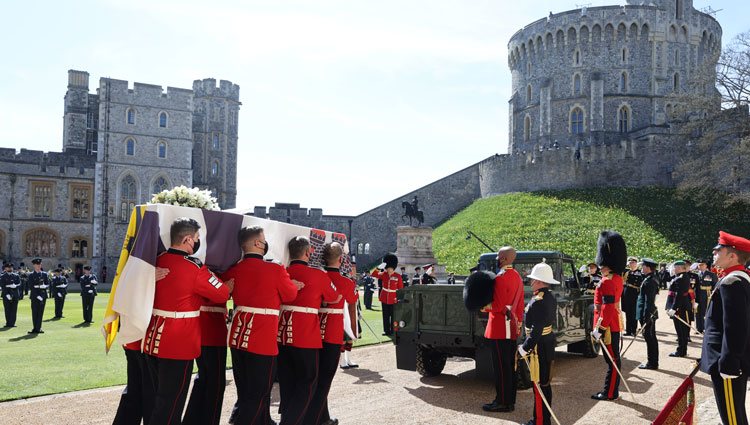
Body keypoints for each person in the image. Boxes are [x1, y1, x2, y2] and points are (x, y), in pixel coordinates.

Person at [142, 217, 232, 425]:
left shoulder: (157, 260)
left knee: (157, 401)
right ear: (188, 240)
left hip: (153, 339)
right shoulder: (193, 267)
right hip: (178, 343)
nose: (197, 243)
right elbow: (222, 294)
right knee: (171, 404)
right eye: (197, 239)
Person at [221, 226, 299, 425]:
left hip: (237, 336)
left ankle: (264, 421)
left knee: (245, 389)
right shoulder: (275, 269)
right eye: (263, 240)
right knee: (258, 392)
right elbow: (290, 295)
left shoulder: (234, 269)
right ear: (257, 243)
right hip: (261, 338)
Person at [278, 236, 340, 425]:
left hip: (281, 334)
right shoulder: (318, 275)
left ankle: (288, 418)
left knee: (287, 382)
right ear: (307, 253)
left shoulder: (283, 271)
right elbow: (334, 298)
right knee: (308, 382)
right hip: (305, 335)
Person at [700, 231, 750, 425]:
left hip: (727, 362)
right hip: (725, 358)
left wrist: (729, 362)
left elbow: (735, 327)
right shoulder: (735, 279)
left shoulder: (732, 282)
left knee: (732, 419)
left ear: (733, 255)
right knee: (734, 415)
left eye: (718, 249)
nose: (714, 253)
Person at [305, 242, 358, 425]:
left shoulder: (317, 275)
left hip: (312, 331)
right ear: (341, 259)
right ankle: (315, 420)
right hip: (332, 334)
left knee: (315, 378)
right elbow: (352, 299)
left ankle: (323, 416)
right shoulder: (344, 281)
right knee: (324, 380)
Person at [113, 268, 169, 425]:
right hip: (140, 337)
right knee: (147, 391)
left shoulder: (135, 267)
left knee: (136, 389)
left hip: (134, 335)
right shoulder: (141, 268)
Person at [482, 246, 525, 413]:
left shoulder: (500, 278)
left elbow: (498, 306)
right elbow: (520, 304)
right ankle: (509, 400)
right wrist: (518, 324)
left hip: (500, 328)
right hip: (512, 327)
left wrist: (483, 307)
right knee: (509, 368)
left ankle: (502, 402)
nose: (497, 258)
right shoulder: (517, 276)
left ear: (505, 259)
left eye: (499, 256)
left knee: (500, 368)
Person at [517, 262, 559, 425]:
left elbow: (536, 330)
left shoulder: (538, 301)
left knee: (539, 385)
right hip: (546, 343)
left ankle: (540, 421)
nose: (531, 282)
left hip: (538, 346)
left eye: (533, 279)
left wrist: (525, 347)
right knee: (545, 383)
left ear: (540, 282)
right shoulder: (548, 297)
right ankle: (544, 418)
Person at [591, 230, 626, 401]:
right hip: (612, 324)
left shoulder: (607, 281)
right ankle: (611, 390)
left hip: (607, 326)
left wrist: (600, 327)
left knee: (612, 361)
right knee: (613, 360)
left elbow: (608, 307)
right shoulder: (616, 278)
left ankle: (610, 392)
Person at [635, 258, 659, 370]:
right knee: (650, 337)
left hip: (648, 313)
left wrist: (646, 317)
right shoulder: (649, 279)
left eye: (643, 266)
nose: (641, 268)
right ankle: (653, 361)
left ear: (648, 267)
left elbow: (648, 301)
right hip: (647, 313)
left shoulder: (650, 281)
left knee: (650, 338)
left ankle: (652, 362)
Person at [371, 253, 403, 336]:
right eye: (388, 268)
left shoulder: (398, 276)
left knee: (393, 316)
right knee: (385, 316)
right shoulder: (383, 275)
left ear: (393, 267)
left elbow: (400, 289)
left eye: (390, 268)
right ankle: (386, 331)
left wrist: (398, 298)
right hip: (384, 298)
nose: (389, 270)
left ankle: (393, 330)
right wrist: (379, 267)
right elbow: (373, 274)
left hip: (393, 298)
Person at [665, 260, 692, 357]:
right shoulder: (679, 277)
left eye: (675, 267)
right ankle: (681, 350)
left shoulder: (682, 278)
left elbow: (679, 295)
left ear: (680, 268)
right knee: (680, 331)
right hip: (679, 307)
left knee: (682, 331)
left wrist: (674, 308)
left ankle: (681, 351)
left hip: (681, 308)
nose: (673, 269)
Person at [27, 258, 49, 334]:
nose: (39, 266)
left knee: (40, 312)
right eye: (37, 264)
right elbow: (31, 286)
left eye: (40, 264)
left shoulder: (45, 274)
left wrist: (45, 286)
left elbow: (48, 284)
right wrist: (37, 295)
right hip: (34, 296)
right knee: (35, 312)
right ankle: (35, 328)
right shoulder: (31, 275)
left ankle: (38, 328)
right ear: (34, 265)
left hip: (43, 296)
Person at [622, 256, 643, 336]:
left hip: (635, 293)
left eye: (633, 263)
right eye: (630, 263)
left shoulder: (640, 272)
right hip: (627, 293)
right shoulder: (626, 272)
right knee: (628, 312)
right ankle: (628, 330)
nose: (631, 264)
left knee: (634, 313)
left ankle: (633, 330)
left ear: (636, 264)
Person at [695, 258, 718, 333]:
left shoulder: (711, 274)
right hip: (697, 294)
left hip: (707, 294)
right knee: (697, 311)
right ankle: (699, 328)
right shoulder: (695, 275)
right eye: (699, 265)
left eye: (702, 265)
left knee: (706, 311)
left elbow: (715, 285)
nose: (700, 266)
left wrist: (713, 294)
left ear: (706, 266)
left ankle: (706, 327)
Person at [1, 262, 21, 328]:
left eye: (11, 267)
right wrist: (7, 294)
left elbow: (19, 284)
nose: (10, 268)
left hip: (15, 294)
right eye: (8, 267)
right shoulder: (3, 276)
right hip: (6, 295)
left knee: (14, 309)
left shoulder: (16, 275)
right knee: (7, 309)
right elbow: (2, 286)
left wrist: (15, 286)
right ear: (5, 268)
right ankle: (8, 323)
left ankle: (12, 323)